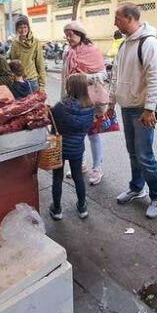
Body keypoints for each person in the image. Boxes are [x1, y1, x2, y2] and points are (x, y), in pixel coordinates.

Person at [108, 3, 157, 218]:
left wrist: (150, 108)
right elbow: (115, 76)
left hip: (143, 110)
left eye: (118, 18)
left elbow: (156, 78)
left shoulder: (149, 43)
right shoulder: (124, 45)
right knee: (134, 154)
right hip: (127, 108)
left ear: (131, 18)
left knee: (145, 155)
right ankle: (136, 187)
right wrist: (110, 103)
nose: (115, 23)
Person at [61, 21, 107, 185]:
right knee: (77, 134)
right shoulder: (68, 51)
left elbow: (103, 75)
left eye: (71, 34)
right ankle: (80, 163)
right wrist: (64, 98)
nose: (69, 38)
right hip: (74, 100)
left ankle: (97, 167)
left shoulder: (92, 50)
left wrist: (83, 79)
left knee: (93, 134)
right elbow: (64, 77)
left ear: (80, 34)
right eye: (66, 35)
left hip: (90, 101)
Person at [49, 74, 95, 221]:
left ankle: (56, 210)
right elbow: (87, 127)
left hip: (60, 148)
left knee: (57, 177)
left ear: (70, 87)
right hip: (77, 148)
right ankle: (82, 208)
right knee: (78, 177)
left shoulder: (61, 106)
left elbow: (52, 122)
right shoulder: (90, 107)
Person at [9, 16, 46, 94]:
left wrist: (42, 85)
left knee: (35, 105)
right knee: (21, 105)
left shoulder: (36, 42)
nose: (23, 30)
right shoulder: (15, 43)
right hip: (19, 81)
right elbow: (13, 64)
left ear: (28, 28)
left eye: (25, 27)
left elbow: (40, 64)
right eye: (20, 27)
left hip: (33, 81)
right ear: (17, 29)